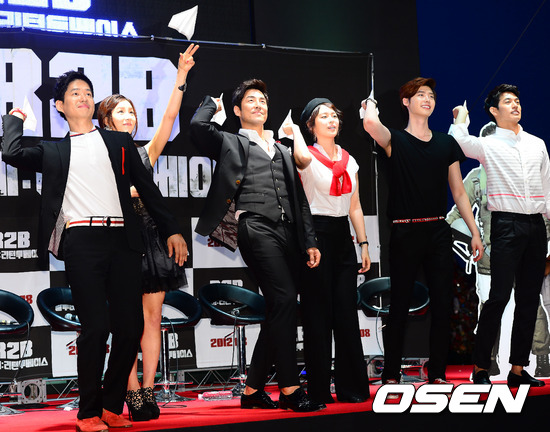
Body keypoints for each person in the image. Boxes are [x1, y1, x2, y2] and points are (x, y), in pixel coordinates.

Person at [1, 71, 187, 432]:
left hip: (123, 240)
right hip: (81, 241)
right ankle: (87, 413)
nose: (83, 97)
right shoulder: (54, 151)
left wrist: (172, 229)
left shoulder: (119, 142)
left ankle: (111, 405)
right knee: (96, 327)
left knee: (130, 327)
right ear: (60, 106)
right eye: (74, 93)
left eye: (87, 92)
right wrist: (16, 118)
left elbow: (147, 189)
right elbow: (12, 152)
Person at [190, 79, 323, 412]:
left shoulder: (282, 148)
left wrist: (309, 240)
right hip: (254, 226)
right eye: (251, 100)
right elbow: (198, 127)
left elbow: (299, 199)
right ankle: (290, 389)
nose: (259, 104)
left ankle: (251, 391)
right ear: (237, 110)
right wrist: (212, 103)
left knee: (280, 307)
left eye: (263, 100)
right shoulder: (231, 142)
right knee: (284, 298)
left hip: (288, 231)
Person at [96, 43, 198, 421]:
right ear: (106, 119)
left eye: (132, 112)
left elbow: (169, 118)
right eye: (121, 111)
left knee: (151, 319)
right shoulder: (94, 154)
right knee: (126, 324)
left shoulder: (144, 153)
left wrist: (181, 76)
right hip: (116, 241)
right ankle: (131, 391)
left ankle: (148, 389)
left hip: (151, 240)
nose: (129, 116)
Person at [362, 77, 483, 385]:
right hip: (404, 232)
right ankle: (391, 374)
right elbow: (371, 125)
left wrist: (474, 232)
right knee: (400, 304)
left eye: (431, 95)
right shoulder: (395, 139)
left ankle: (438, 374)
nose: (427, 99)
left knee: (442, 304)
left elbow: (459, 192)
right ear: (406, 102)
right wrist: (370, 105)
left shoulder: (445, 143)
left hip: (438, 231)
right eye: (420, 95)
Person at [450, 84, 550, 387]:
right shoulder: (488, 144)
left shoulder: (537, 143)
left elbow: (547, 189)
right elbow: (458, 142)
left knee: (529, 299)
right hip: (505, 225)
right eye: (508, 101)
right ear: (494, 111)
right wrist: (461, 118)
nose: (515, 105)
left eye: (517, 100)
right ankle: (481, 367)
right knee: (498, 298)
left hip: (536, 225)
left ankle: (518, 369)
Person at [282, 98, 370, 404]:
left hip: (343, 238)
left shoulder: (350, 160)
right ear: (311, 125)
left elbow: (355, 206)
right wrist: (295, 133)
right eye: (323, 116)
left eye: (334, 115)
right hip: (314, 235)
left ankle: (352, 388)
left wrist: (363, 243)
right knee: (317, 315)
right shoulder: (306, 155)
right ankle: (319, 390)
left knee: (346, 314)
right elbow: (300, 159)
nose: (332, 120)